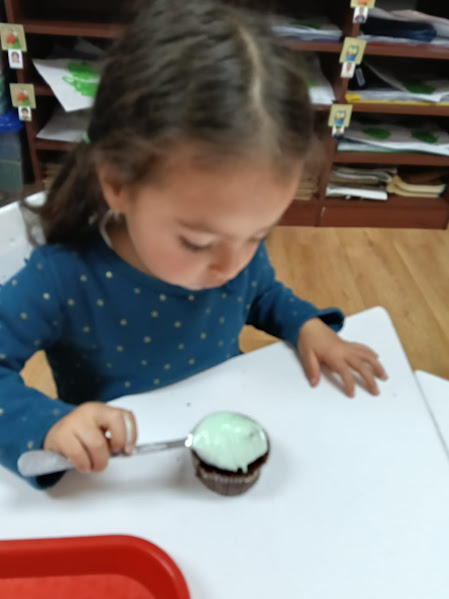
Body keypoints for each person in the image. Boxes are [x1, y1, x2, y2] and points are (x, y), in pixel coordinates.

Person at [0, 0, 386, 488]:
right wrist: (49, 426)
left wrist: (306, 325)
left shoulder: (232, 244)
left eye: (257, 235)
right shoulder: (62, 277)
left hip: (218, 430)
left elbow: (260, 293)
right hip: (120, 477)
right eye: (196, 242)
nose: (230, 265)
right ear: (117, 183)